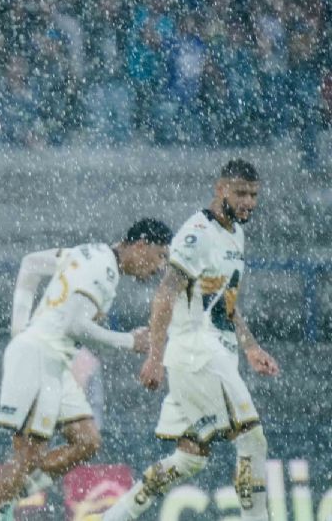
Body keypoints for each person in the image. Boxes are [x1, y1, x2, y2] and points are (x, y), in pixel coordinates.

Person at [103, 159, 280, 521]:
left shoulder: (236, 234)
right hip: (199, 353)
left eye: (254, 195)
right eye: (241, 193)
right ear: (220, 189)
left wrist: (249, 346)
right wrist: (154, 356)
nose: (249, 202)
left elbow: (225, 300)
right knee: (251, 440)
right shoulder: (197, 233)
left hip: (211, 353)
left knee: (189, 459)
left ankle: (114, 517)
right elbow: (165, 293)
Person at [0, 218, 173, 521]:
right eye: (160, 256)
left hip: (53, 362)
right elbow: (75, 326)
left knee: (86, 441)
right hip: (40, 357)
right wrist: (130, 341)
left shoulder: (87, 251)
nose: (160, 267)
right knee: (29, 454)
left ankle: (3, 499)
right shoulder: (105, 270)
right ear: (141, 245)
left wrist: (19, 327)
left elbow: (30, 264)